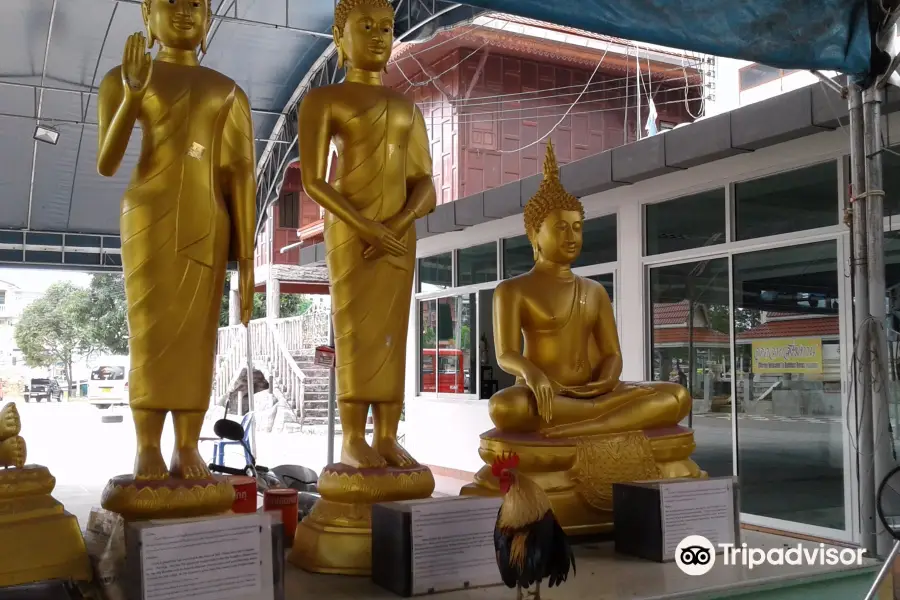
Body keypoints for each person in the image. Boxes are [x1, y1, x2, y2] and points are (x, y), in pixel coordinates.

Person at [96, 0, 255, 480]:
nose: (185, 11)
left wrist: (247, 262)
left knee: (197, 337)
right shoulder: (123, 77)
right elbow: (107, 161)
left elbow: (240, 174)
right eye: (172, 1)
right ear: (147, 14)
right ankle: (147, 445)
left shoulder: (227, 91)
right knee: (150, 333)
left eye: (197, 3)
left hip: (209, 218)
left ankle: (187, 445)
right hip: (148, 215)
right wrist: (131, 95)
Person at [296, 0, 436, 468]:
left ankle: (387, 435)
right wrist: (366, 226)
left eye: (386, 27)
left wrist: (395, 224)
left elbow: (426, 184)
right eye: (366, 27)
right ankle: (353, 436)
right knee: (355, 330)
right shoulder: (324, 100)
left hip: (397, 232)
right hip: (350, 230)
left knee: (393, 332)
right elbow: (314, 181)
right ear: (340, 37)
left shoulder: (406, 108)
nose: (378, 36)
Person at [488, 142, 691, 439]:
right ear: (534, 233)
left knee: (677, 396)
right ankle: (604, 423)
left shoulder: (593, 290)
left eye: (577, 227)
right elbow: (506, 353)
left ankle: (590, 425)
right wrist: (533, 375)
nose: (572, 236)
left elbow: (612, 353)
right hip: (546, 393)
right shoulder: (512, 290)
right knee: (505, 408)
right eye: (560, 228)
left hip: (597, 394)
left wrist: (608, 379)